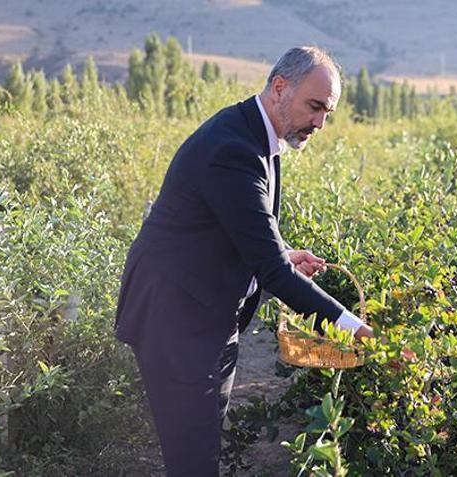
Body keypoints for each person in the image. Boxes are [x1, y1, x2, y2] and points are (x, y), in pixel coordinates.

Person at [114, 46, 372, 476]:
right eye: (315, 107)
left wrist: (283, 252)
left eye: (328, 112)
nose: (320, 123)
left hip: (211, 315)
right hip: (176, 320)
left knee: (201, 450)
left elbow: (238, 226)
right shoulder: (234, 147)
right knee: (193, 461)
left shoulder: (258, 136)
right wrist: (356, 329)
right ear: (279, 88)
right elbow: (271, 271)